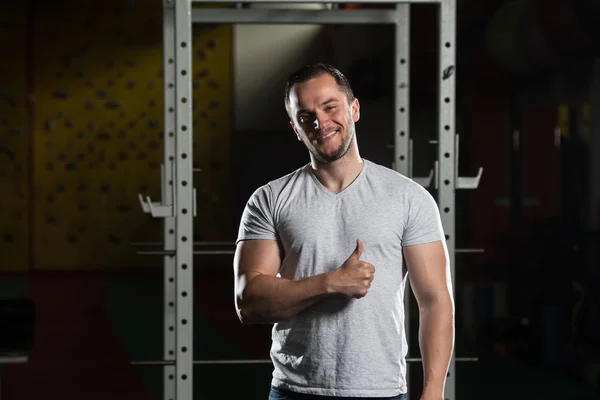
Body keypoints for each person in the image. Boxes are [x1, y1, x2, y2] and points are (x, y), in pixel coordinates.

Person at [233, 63, 454, 400]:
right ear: (296, 128)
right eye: (306, 116)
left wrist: (434, 391)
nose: (320, 123)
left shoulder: (408, 198)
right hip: (294, 389)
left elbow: (435, 301)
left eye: (330, 106)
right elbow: (248, 303)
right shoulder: (269, 199)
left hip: (380, 390)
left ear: (354, 108)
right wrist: (330, 283)